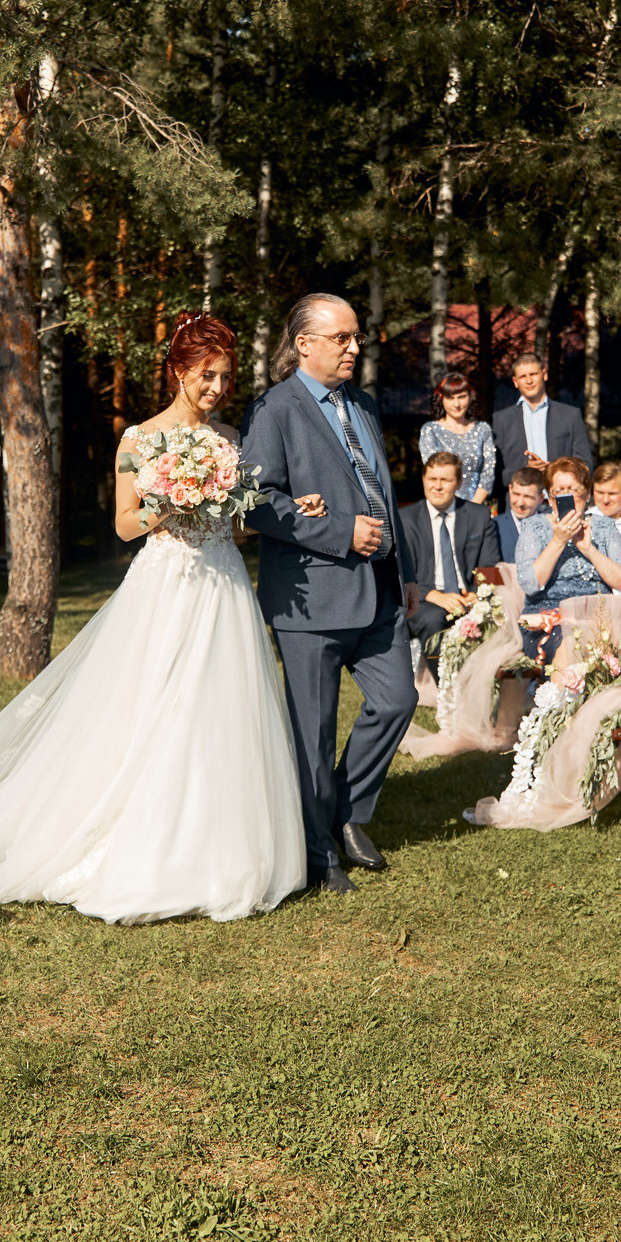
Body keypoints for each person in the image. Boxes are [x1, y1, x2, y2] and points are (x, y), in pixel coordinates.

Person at [0, 315, 312, 918]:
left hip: (223, 586)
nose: (216, 387)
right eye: (204, 375)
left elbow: (235, 524)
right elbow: (125, 524)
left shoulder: (231, 439)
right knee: (152, 709)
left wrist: (272, 506)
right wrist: (171, 502)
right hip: (165, 586)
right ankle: (132, 838)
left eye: (224, 376)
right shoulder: (138, 440)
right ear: (177, 372)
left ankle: (221, 843)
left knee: (221, 708)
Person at [238, 294, 420, 887]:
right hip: (311, 600)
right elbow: (259, 504)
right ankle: (318, 856)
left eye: (356, 337)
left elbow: (384, 496)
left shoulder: (362, 404)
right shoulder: (274, 410)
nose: (354, 348)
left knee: (397, 701)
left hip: (381, 590)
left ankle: (347, 814)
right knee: (312, 739)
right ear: (303, 344)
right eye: (342, 338)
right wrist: (340, 532)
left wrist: (408, 571)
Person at [513, 455, 621, 660]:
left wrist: (589, 550)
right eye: (559, 491)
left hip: (598, 618)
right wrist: (558, 540)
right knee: (569, 642)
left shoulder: (604, 527)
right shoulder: (535, 526)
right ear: (550, 499)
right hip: (548, 620)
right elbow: (530, 583)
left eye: (573, 490)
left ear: (587, 495)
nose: (566, 496)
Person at [400, 450, 495, 657]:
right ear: (424, 480)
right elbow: (400, 571)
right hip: (425, 600)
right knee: (433, 619)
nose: (437, 486)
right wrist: (434, 596)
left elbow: (490, 564)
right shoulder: (405, 520)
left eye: (445, 480)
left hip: (469, 597)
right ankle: (446, 686)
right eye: (432, 479)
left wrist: (477, 594)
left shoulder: (479, 516)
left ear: (459, 483)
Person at [490, 353, 592, 499]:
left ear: (544, 374)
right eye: (523, 376)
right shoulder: (501, 419)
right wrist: (525, 470)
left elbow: (586, 465)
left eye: (533, 374)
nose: (529, 381)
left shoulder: (570, 415)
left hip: (561, 502)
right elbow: (495, 473)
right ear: (515, 381)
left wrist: (555, 469)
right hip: (518, 505)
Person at [416, 370, 497, 505]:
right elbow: (433, 474)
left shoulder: (483, 429)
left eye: (461, 397)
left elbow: (488, 474)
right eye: (450, 398)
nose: (456, 404)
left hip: (477, 506)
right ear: (441, 398)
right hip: (443, 505)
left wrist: (473, 508)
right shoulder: (430, 430)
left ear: (470, 397)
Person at [498, 466, 547, 562]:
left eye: (528, 497)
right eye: (516, 494)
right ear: (510, 489)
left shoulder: (550, 526)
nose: (520, 503)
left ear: (541, 498)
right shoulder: (494, 526)